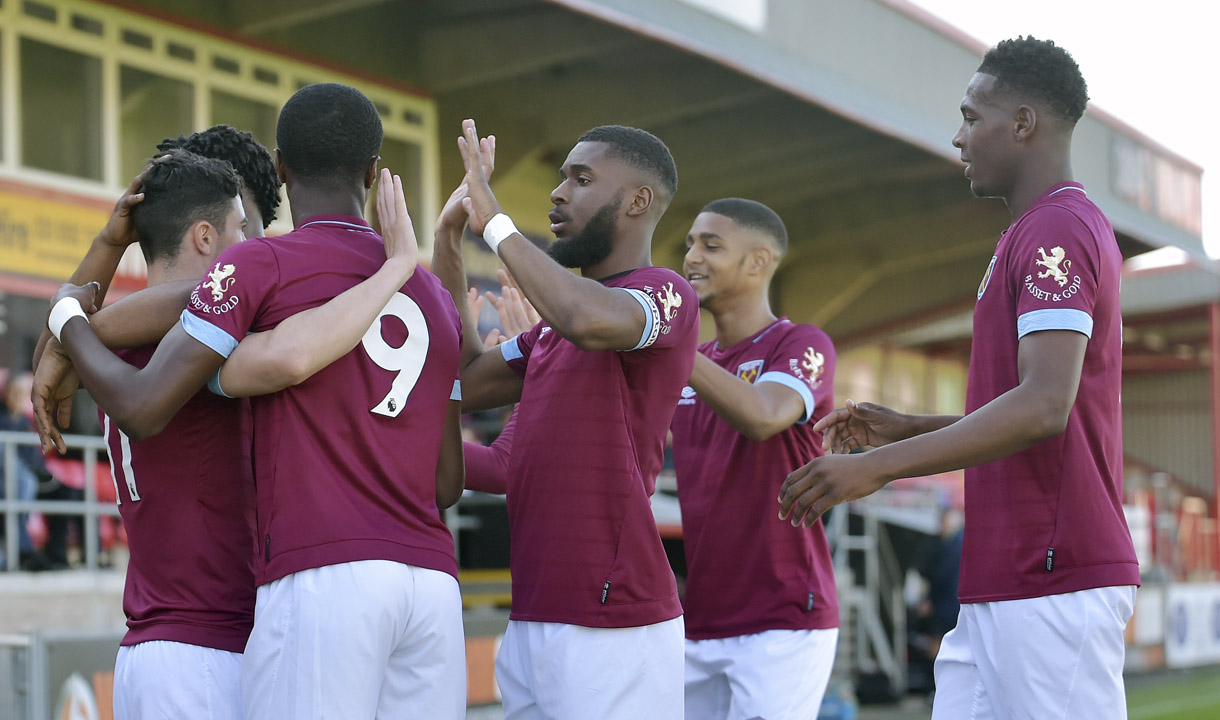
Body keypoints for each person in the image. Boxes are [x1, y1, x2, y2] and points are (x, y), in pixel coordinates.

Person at [39, 83, 467, 719]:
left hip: (180, 637)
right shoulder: (411, 295)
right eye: (246, 227)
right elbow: (447, 475)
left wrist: (70, 319)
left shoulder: (122, 346)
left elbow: (173, 341)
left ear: (283, 166)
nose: (258, 240)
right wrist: (407, 262)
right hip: (237, 636)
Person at [778, 37, 1139, 718]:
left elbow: (1043, 409)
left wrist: (883, 464)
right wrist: (915, 427)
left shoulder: (1058, 230)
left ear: (1024, 123)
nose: (958, 135)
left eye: (974, 117)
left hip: (1053, 574)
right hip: (1007, 579)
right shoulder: (1030, 232)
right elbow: (1027, 411)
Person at [433, 120, 697, 719]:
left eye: (581, 179)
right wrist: (449, 244)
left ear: (638, 201)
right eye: (561, 177)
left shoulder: (667, 294)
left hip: (613, 621)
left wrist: (495, 221)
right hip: (531, 614)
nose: (558, 193)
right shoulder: (551, 333)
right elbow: (467, 380)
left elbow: (587, 317)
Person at [671, 198, 839, 719]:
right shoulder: (691, 362)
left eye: (711, 245)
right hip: (698, 621)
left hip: (783, 620)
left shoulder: (801, 343)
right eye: (690, 243)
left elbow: (763, 414)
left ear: (759, 261)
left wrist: (671, 343)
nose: (692, 256)